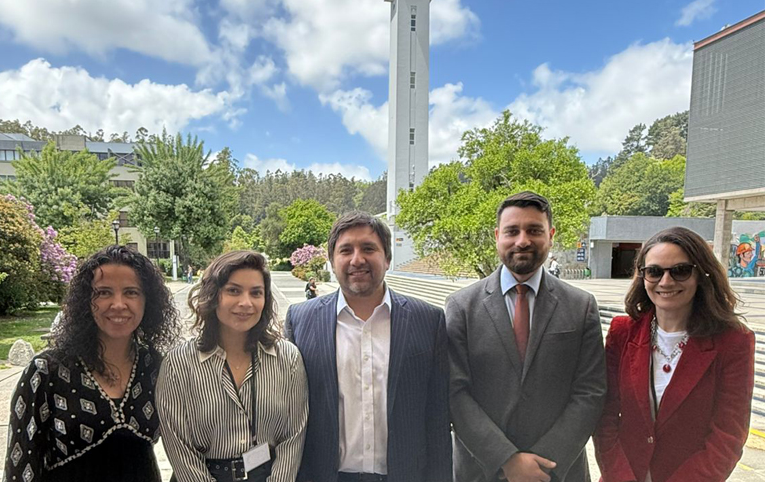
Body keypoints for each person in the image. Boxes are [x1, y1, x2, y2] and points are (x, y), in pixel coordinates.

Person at [446, 191, 606, 482]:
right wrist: (506, 460)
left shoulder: (581, 306)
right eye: (512, 231)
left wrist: (544, 465)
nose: (523, 240)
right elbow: (455, 393)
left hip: (559, 471)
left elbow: (590, 391)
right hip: (483, 471)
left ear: (551, 235)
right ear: (497, 235)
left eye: (534, 230)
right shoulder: (461, 307)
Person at [285, 211, 452, 482]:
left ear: (387, 258)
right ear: (331, 260)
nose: (357, 259)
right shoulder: (301, 320)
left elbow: (438, 418)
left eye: (368, 248)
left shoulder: (428, 320)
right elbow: (290, 415)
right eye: (346, 250)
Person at [3, 245, 180, 482]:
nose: (118, 304)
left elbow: (189, 446)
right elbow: (20, 465)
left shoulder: (156, 366)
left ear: (149, 301)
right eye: (104, 292)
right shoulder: (47, 371)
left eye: (131, 292)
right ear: (86, 301)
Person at [594, 226, 755, 482]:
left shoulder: (733, 341)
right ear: (642, 277)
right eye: (654, 272)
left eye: (680, 271)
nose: (666, 282)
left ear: (701, 275)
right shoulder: (622, 332)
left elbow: (728, 435)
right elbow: (605, 418)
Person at [157, 250, 308, 482]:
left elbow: (293, 436)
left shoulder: (287, 358)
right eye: (233, 291)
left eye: (256, 293)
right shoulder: (179, 363)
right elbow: (179, 445)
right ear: (213, 295)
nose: (245, 303)